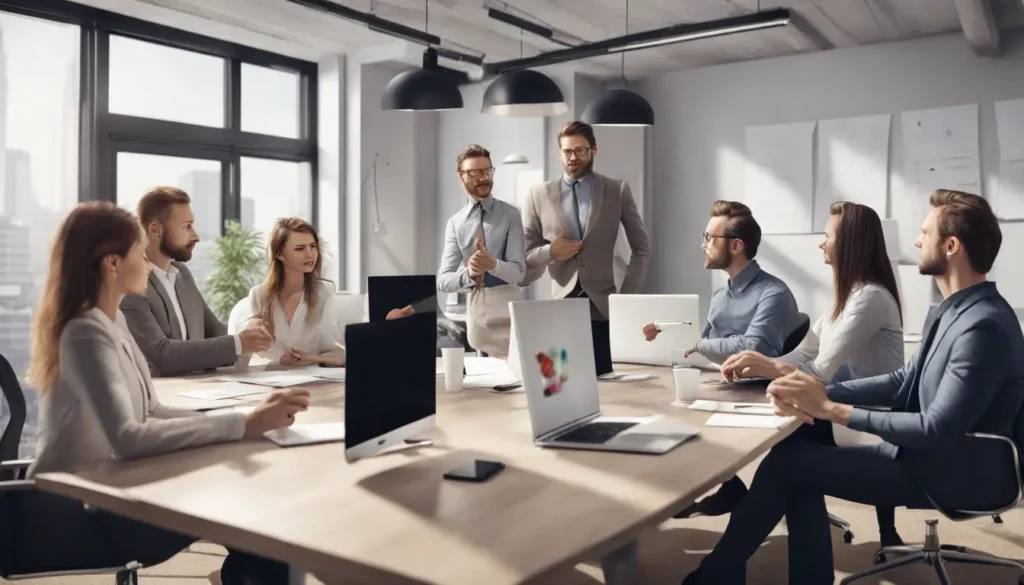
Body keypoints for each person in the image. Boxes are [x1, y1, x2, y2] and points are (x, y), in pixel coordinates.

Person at [681, 189, 1024, 585]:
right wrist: (822, 395)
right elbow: (902, 382)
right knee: (794, 452)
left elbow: (937, 429)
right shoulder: (951, 311)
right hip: (934, 457)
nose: (915, 242)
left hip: (960, 471)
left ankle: (715, 575)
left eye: (924, 233)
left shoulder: (982, 326)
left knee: (788, 465)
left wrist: (830, 409)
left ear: (950, 246)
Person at [24, 201, 309, 585]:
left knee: (259, 528)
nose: (149, 264)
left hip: (108, 488)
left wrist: (247, 420)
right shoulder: (84, 332)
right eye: (139, 254)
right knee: (255, 521)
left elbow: (153, 410)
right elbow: (128, 437)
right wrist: (242, 424)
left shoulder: (113, 320)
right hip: (72, 510)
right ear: (112, 264)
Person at [684, 201, 906, 545]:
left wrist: (768, 366)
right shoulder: (847, 298)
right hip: (840, 407)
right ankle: (740, 559)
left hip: (864, 417)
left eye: (827, 236)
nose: (821, 243)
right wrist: (758, 367)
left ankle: (728, 560)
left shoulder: (870, 299)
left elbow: (819, 372)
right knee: (786, 454)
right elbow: (803, 352)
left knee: (784, 457)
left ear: (849, 244)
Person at [121, 187, 273, 376]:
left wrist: (249, 331)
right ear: (156, 230)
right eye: (187, 226)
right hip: (164, 395)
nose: (196, 236)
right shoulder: (131, 286)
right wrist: (240, 342)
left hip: (201, 388)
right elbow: (162, 355)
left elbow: (214, 330)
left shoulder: (182, 273)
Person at [522, 121, 651, 320]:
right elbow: (526, 256)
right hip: (561, 307)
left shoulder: (617, 190)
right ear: (560, 153)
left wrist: (626, 297)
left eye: (580, 150)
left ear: (593, 151)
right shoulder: (537, 195)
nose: (573, 157)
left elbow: (641, 248)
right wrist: (550, 252)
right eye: (567, 151)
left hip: (605, 308)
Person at [644, 200, 799, 365]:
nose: (704, 245)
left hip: (757, 389)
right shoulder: (719, 297)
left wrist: (699, 345)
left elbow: (753, 348)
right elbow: (701, 346)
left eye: (710, 238)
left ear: (736, 246)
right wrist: (668, 334)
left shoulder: (774, 294)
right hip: (721, 380)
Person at [423, 144, 526, 358]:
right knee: (485, 380)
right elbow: (442, 281)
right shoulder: (455, 223)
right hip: (477, 312)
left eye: (487, 171)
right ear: (461, 177)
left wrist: (493, 264)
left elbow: (519, 272)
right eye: (475, 173)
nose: (483, 177)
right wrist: (469, 273)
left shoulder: (510, 215)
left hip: (509, 309)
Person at [241, 217, 344, 367]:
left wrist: (310, 358)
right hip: (270, 382)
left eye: (313, 246)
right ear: (279, 254)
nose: (310, 254)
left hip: (313, 381)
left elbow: (342, 354)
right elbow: (245, 355)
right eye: (299, 249)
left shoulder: (324, 292)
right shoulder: (259, 295)